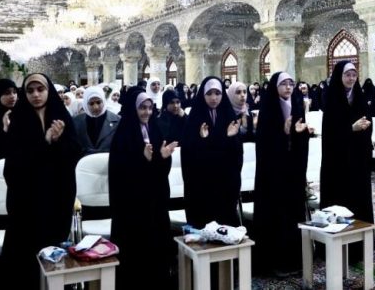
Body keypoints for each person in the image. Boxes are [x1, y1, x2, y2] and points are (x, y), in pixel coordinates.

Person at [2, 73, 81, 287]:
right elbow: (14, 165)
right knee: (25, 257)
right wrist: (44, 141)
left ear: (49, 91)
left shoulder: (62, 117)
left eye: (40, 89)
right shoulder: (18, 121)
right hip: (27, 201)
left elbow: (74, 153)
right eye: (30, 91)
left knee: (53, 252)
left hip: (57, 196)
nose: (36, 95)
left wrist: (57, 142)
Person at [110, 88, 175, 287]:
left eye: (149, 108)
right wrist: (141, 159)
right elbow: (120, 172)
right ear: (133, 109)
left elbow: (159, 171)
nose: (146, 112)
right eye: (142, 108)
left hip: (154, 202)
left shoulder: (155, 129)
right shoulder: (123, 135)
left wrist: (163, 158)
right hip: (132, 205)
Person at [253, 72, 311, 276]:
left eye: (291, 84)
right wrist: (283, 133)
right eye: (284, 84)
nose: (288, 88)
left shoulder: (296, 105)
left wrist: (300, 134)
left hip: (292, 173)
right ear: (275, 87)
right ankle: (275, 263)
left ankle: (293, 261)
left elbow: (301, 142)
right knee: (276, 215)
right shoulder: (268, 109)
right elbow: (264, 143)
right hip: (273, 175)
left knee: (292, 215)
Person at [181, 77, 243, 228]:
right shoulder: (194, 119)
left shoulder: (229, 116)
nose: (214, 98)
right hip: (202, 186)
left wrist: (228, 138)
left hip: (225, 184)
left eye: (217, 93)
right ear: (203, 94)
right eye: (209, 93)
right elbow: (189, 154)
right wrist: (203, 140)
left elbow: (236, 153)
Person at [321, 61, 373, 222]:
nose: (351, 79)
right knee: (340, 197)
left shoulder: (360, 96)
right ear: (339, 76)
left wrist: (366, 125)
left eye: (354, 75)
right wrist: (351, 128)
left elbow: (367, 119)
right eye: (347, 75)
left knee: (359, 197)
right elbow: (330, 132)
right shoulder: (331, 98)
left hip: (358, 158)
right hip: (338, 161)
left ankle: (360, 243)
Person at [72, 86, 119, 155]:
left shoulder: (117, 120)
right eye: (91, 103)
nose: (95, 107)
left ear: (103, 101)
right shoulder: (76, 122)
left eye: (98, 102)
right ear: (85, 103)